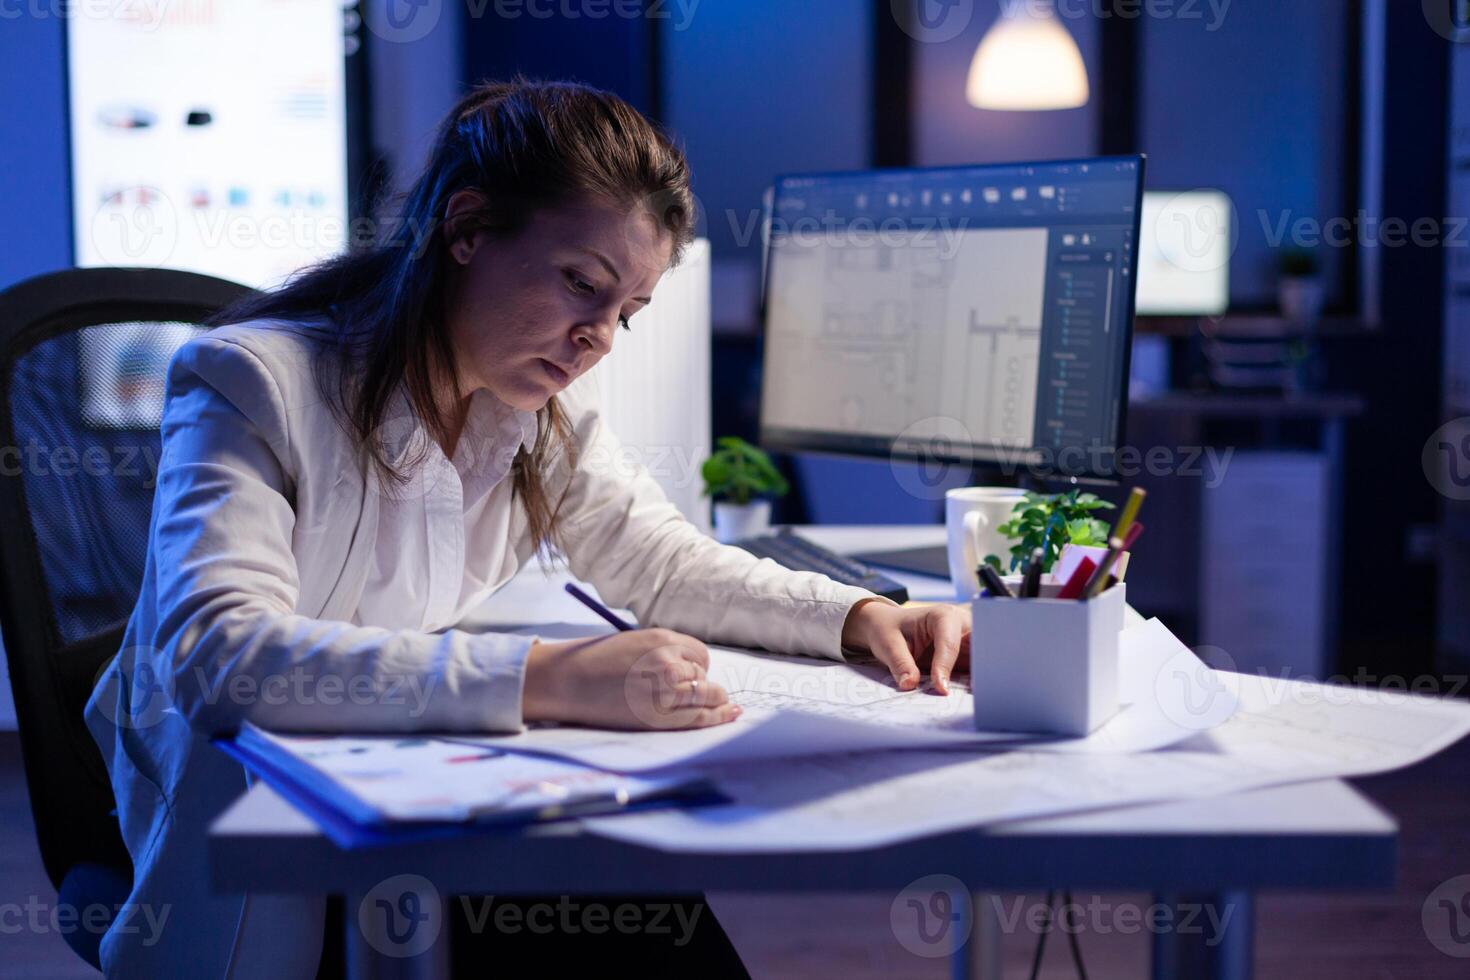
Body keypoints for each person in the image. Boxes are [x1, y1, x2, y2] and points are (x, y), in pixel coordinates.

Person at [84, 76, 972, 978]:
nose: (600, 338)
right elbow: (219, 655)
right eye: (582, 284)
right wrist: (549, 678)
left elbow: (663, 565)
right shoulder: (252, 381)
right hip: (251, 821)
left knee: (637, 892)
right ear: (466, 228)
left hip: (404, 773)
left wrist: (859, 615)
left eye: (625, 313)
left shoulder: (540, 410)